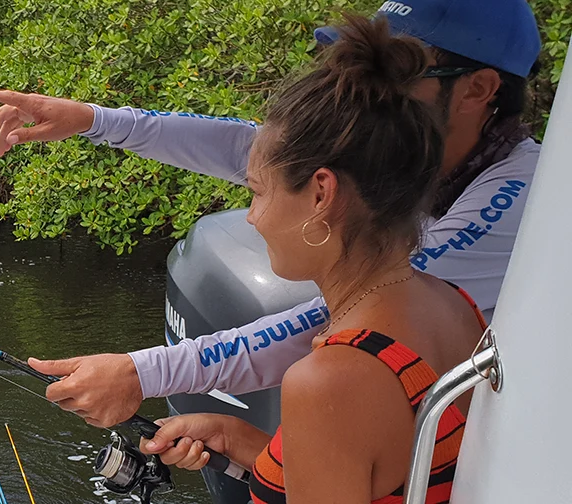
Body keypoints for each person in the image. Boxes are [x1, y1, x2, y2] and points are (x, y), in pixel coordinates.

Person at [0, 0, 542, 429]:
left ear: (479, 90)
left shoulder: (518, 198)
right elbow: (261, 151)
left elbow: (369, 309)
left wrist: (146, 371)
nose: (357, 94)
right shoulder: (406, 148)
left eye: (388, 77)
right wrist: (94, 119)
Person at [150, 16, 480, 502]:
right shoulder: (453, 305)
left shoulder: (330, 381)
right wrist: (235, 437)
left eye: (258, 193)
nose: (252, 218)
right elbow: (385, 474)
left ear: (322, 194)